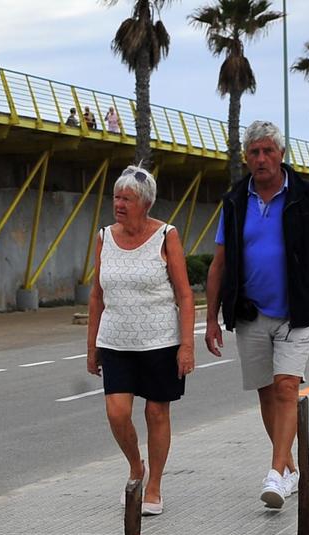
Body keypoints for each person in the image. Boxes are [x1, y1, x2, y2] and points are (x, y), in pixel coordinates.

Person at [203, 120, 309, 509]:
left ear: (282, 154)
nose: (262, 158)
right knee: (267, 392)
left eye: (269, 150)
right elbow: (218, 264)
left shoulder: (306, 196)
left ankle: (275, 472)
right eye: (255, 152)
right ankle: (289, 466)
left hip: (296, 312)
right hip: (250, 313)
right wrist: (211, 319)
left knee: (287, 387)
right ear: (246, 159)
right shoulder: (234, 201)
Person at [85, 166, 194, 516]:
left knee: (156, 412)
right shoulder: (104, 236)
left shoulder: (166, 235)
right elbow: (96, 296)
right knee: (117, 413)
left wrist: (186, 345)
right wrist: (92, 346)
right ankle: (136, 466)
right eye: (117, 197)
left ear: (144, 204)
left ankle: (155, 486)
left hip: (160, 341)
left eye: (127, 198)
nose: (119, 204)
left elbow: (184, 295)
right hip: (116, 342)